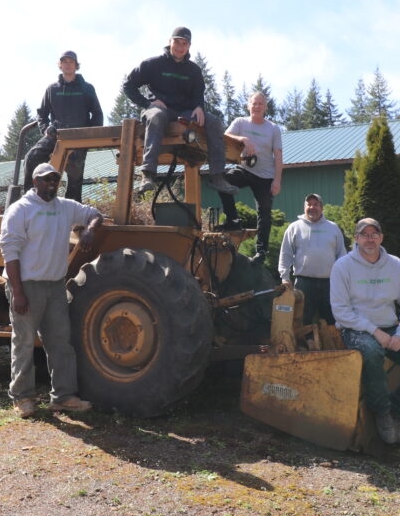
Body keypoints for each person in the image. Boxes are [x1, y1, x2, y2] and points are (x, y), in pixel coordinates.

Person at [0, 162, 103, 417]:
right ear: (35, 182)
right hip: (26, 285)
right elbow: (9, 252)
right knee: (23, 342)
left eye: (55, 179)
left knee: (60, 342)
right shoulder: (20, 210)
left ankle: (63, 396)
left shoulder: (65, 207)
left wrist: (89, 229)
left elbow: (94, 213)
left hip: (55, 285)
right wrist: (18, 292)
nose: (52, 183)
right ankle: (23, 398)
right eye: (46, 179)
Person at [330, 218, 400, 444]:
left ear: (381, 238)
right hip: (356, 329)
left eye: (374, 234)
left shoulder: (396, 266)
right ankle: (382, 413)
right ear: (356, 238)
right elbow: (341, 312)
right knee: (372, 352)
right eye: (364, 234)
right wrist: (375, 331)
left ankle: (396, 413)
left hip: (391, 328)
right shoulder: (342, 267)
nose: (370, 238)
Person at [122, 27, 237, 195]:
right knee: (157, 115)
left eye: (184, 43)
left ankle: (218, 177)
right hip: (158, 110)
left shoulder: (193, 70)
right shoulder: (152, 64)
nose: (180, 46)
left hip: (184, 112)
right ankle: (147, 174)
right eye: (177, 42)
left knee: (214, 121)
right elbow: (128, 85)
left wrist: (199, 107)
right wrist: (147, 104)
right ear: (170, 42)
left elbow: (198, 94)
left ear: (189, 46)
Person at [23, 50, 103, 202]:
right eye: (64, 62)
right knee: (31, 157)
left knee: (75, 171)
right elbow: (42, 113)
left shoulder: (87, 88)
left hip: (79, 137)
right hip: (56, 135)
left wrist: (90, 137)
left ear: (76, 65)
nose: (67, 64)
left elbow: (97, 114)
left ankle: (73, 207)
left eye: (71, 62)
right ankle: (30, 198)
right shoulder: (52, 89)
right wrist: (45, 128)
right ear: (60, 65)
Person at [216, 92, 284, 264]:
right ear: (248, 106)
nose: (257, 106)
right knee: (221, 180)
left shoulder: (273, 129)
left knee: (265, 212)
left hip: (265, 176)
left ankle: (261, 252)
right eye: (254, 103)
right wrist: (242, 139)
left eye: (261, 103)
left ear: (265, 107)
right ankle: (233, 220)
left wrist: (277, 180)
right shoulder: (240, 122)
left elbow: (278, 156)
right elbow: (224, 136)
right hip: (244, 169)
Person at [278, 193, 346, 324]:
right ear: (304, 207)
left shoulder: (333, 228)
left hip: (329, 283)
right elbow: (285, 253)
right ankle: (306, 343)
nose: (312, 207)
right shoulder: (294, 227)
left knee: (333, 319)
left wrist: (343, 279)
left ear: (322, 208)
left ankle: (334, 344)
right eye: (309, 204)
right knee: (303, 319)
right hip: (304, 283)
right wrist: (284, 277)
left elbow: (342, 255)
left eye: (316, 204)